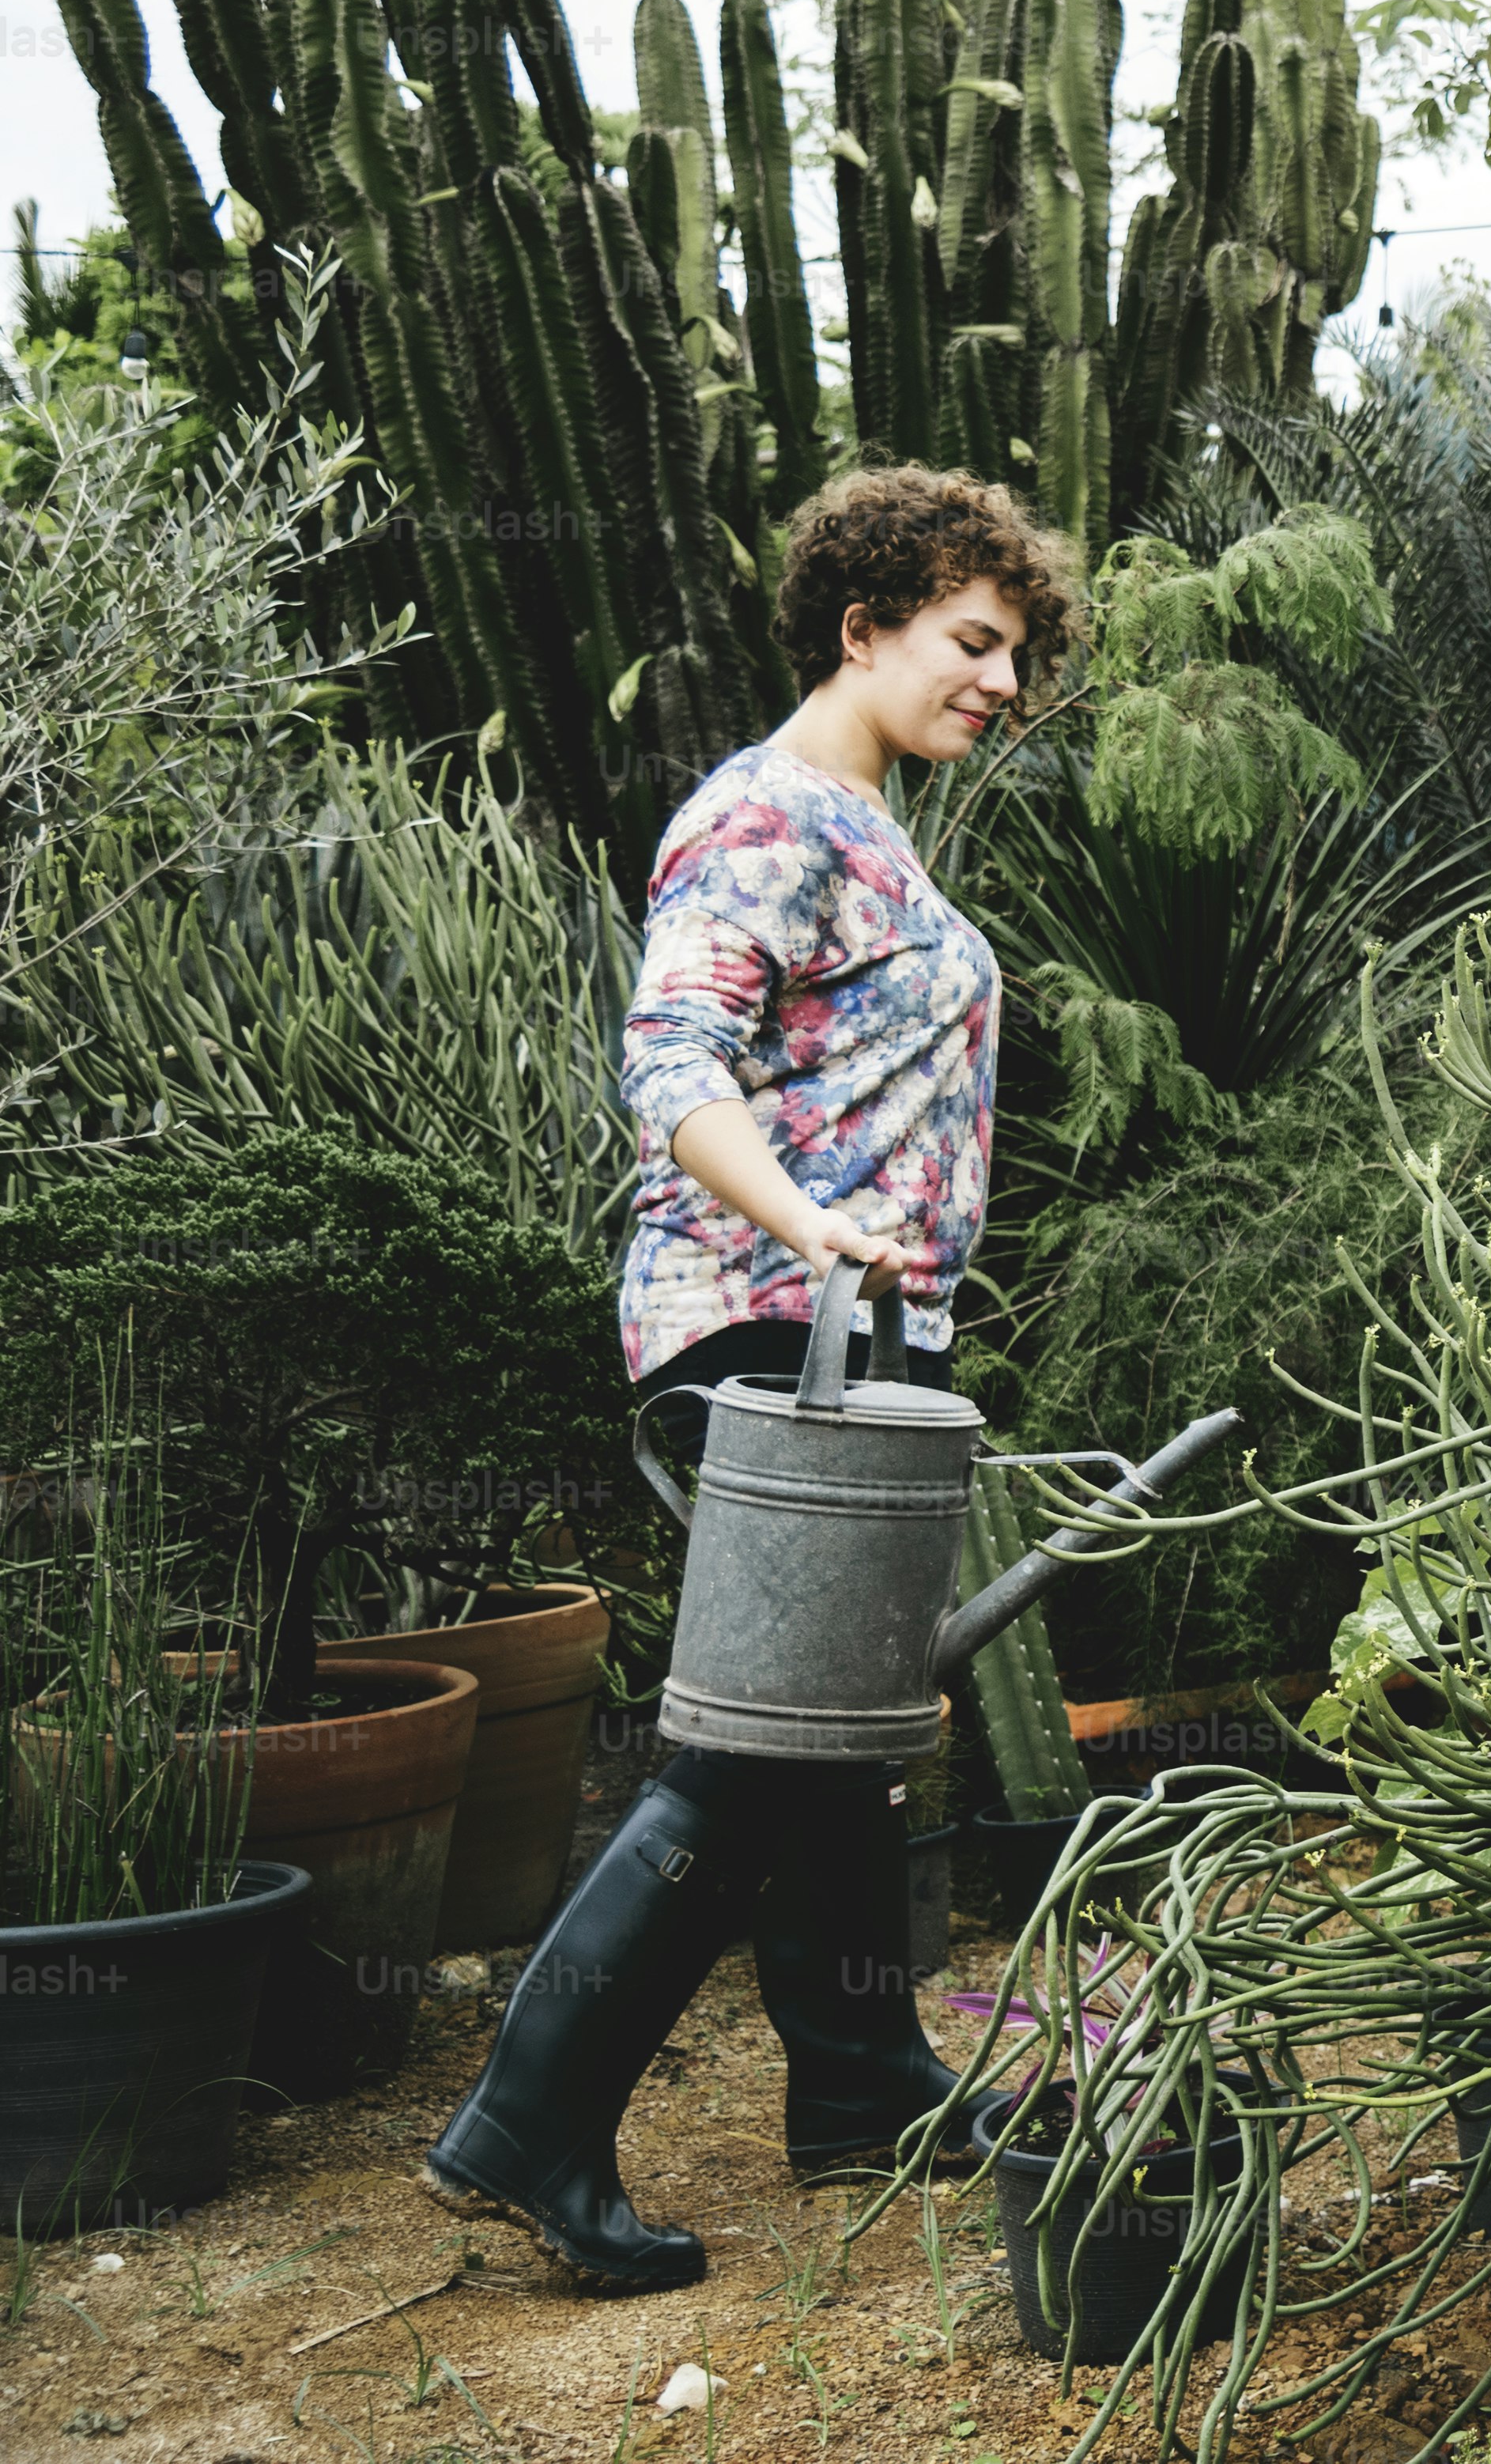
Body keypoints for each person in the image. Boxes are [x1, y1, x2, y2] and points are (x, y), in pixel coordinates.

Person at [425, 463, 1078, 2293]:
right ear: (859, 626)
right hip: (768, 1330)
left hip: (854, 1337)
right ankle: (525, 2125)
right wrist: (811, 1231)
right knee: (747, 1753)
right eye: (969, 641)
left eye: (1013, 651)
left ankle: (863, 2084)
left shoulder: (868, 825)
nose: (999, 682)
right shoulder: (767, 822)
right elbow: (672, 1064)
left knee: (846, 1742)